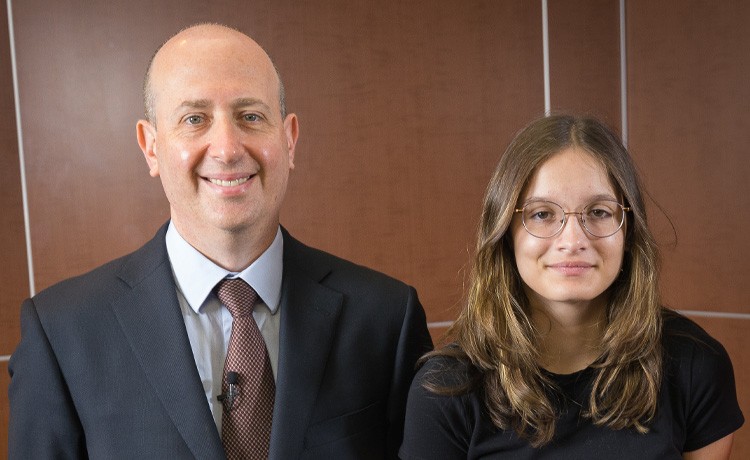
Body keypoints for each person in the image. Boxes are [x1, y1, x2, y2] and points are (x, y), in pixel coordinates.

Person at [8, 23, 432, 459]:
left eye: (250, 116)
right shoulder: (63, 332)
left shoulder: (386, 318)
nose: (228, 148)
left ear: (289, 140)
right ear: (150, 147)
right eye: (195, 119)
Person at [400, 114, 744, 459]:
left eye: (598, 212)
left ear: (629, 232)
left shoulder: (695, 364)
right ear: (506, 232)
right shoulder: (446, 389)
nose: (573, 240)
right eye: (542, 214)